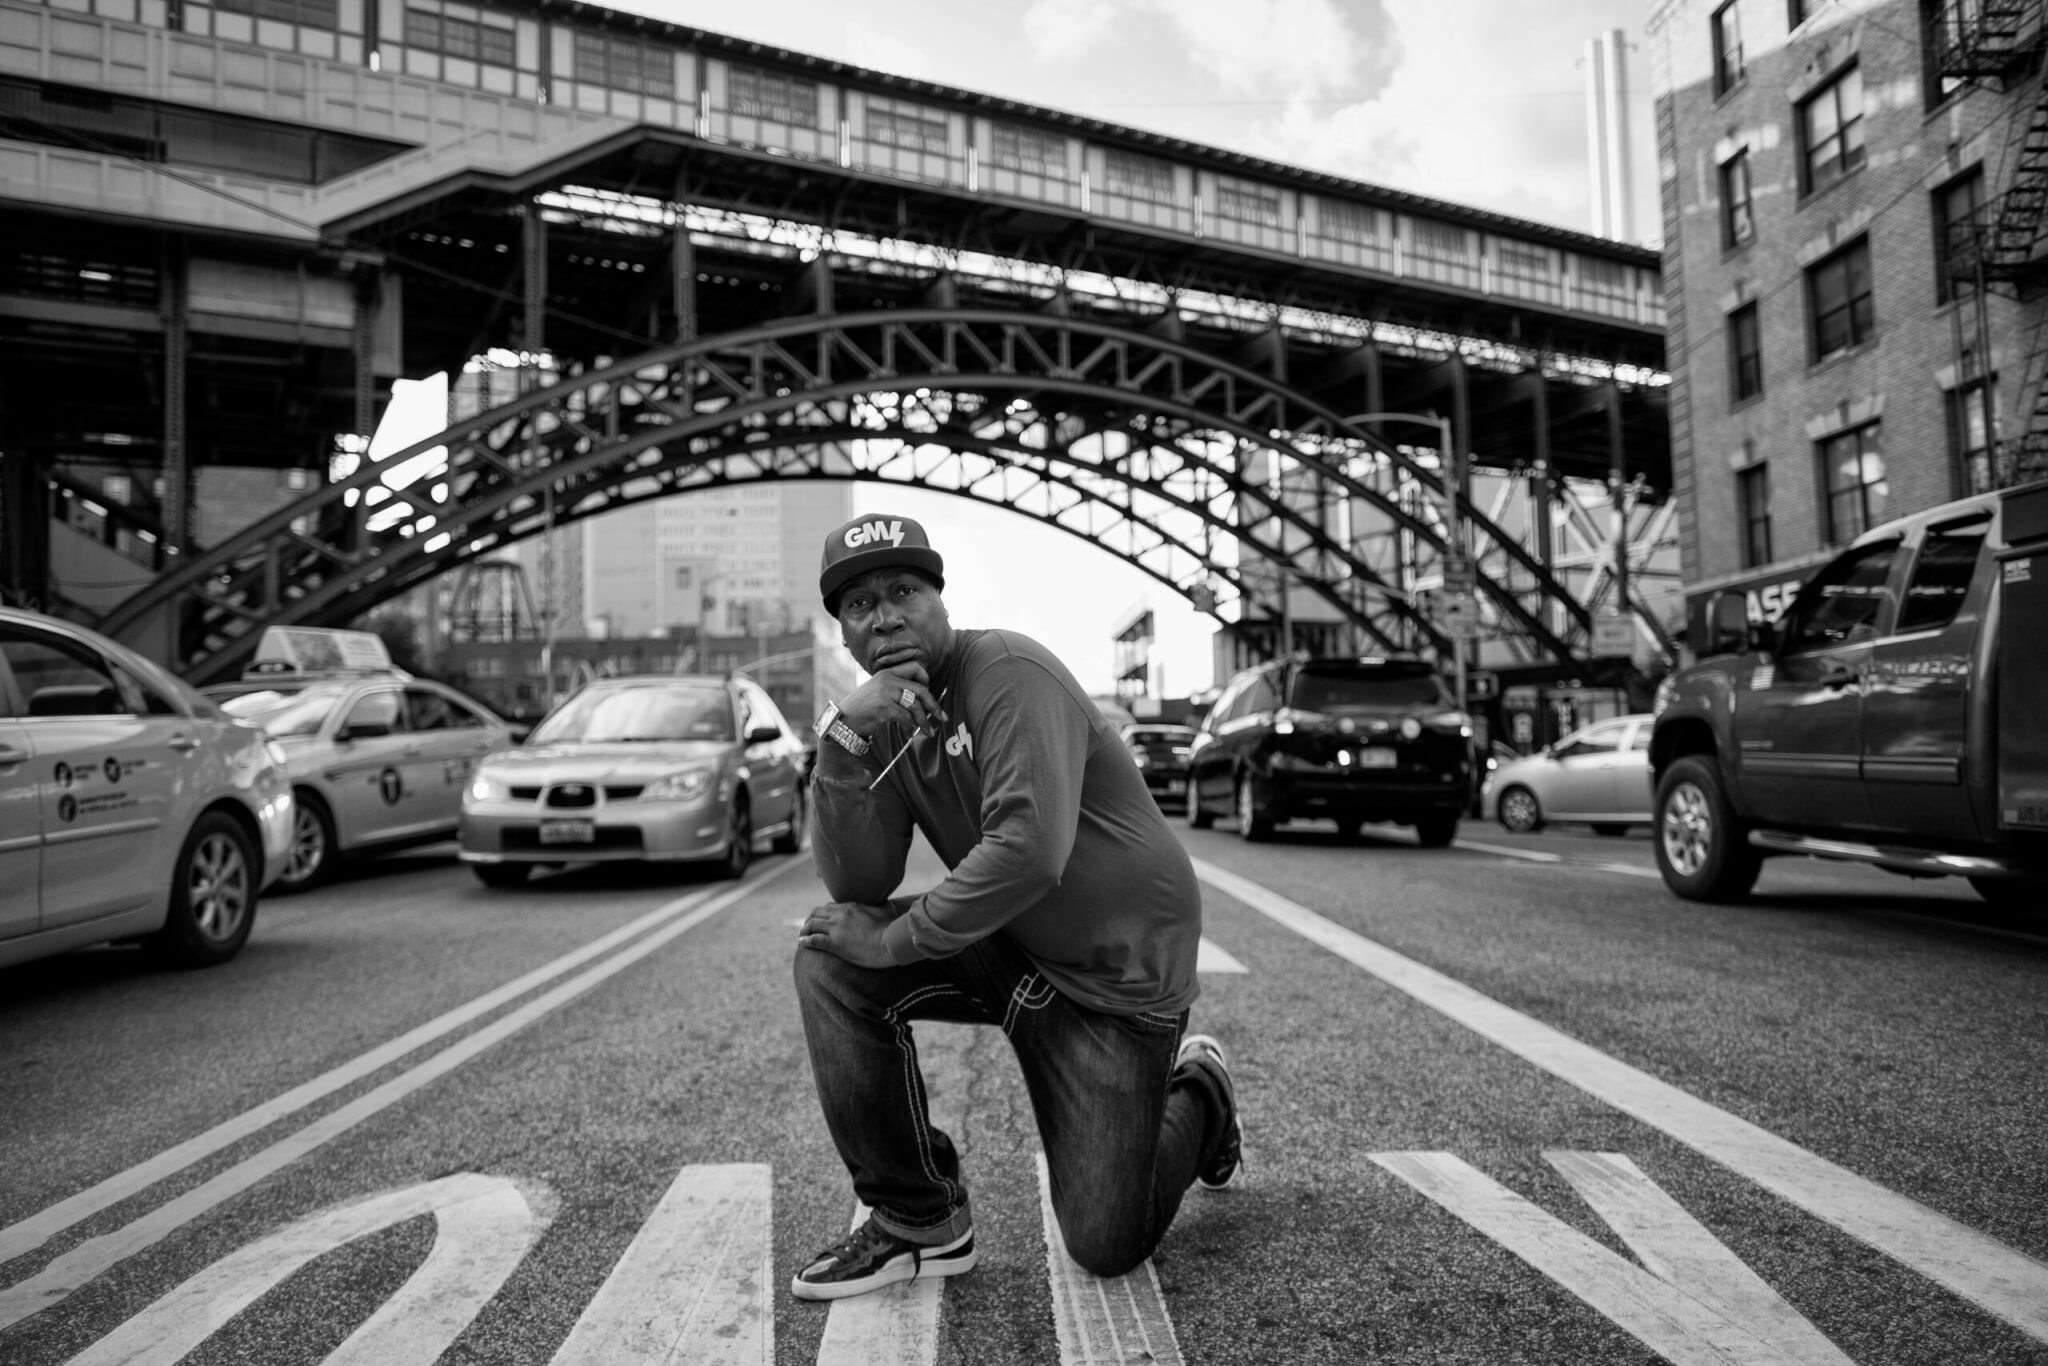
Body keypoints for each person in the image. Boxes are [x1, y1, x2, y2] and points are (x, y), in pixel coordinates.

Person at [789, 512, 1243, 1302]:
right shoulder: (886, 718)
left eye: (903, 591)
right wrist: (841, 744)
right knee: (830, 954)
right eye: (860, 606)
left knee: (1107, 1243)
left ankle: (1200, 1090)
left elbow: (1029, 850)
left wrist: (898, 943)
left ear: (940, 599)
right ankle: (918, 1219)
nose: (886, 616)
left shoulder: (1005, 670)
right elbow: (855, 887)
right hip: (1015, 943)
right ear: (846, 635)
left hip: (1115, 977)